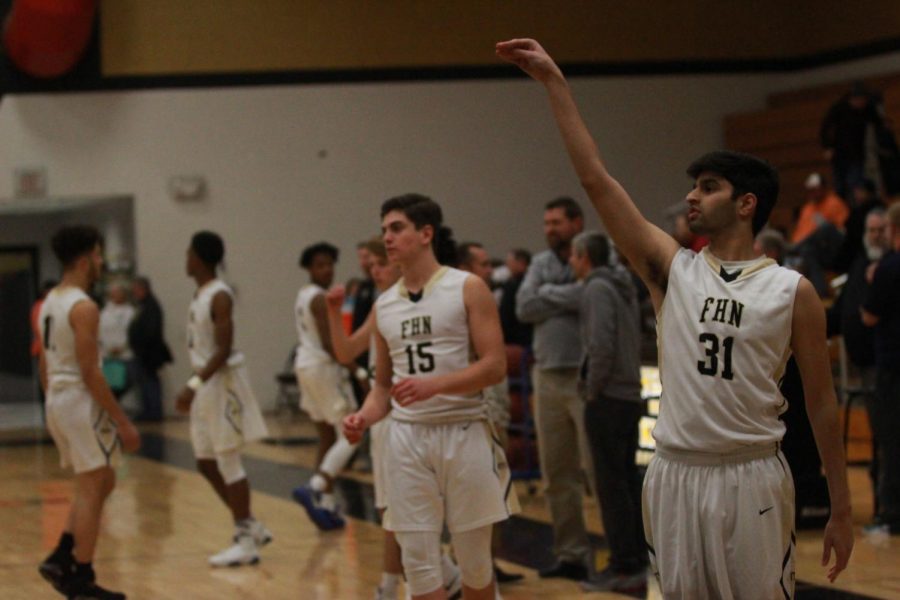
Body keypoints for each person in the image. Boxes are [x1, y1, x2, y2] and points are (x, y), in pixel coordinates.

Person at [497, 38, 853, 596]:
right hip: (675, 472)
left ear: (746, 204)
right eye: (693, 186)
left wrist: (841, 507)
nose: (691, 197)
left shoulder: (792, 291)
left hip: (752, 474)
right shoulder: (673, 268)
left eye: (707, 188)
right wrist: (555, 86)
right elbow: (597, 180)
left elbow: (823, 403)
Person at [343, 193, 516, 600]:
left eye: (396, 227)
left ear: (425, 233)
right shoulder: (386, 305)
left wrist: (435, 385)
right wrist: (363, 417)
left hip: (464, 431)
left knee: (474, 563)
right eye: (384, 229)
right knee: (418, 564)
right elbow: (382, 388)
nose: (387, 237)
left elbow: (495, 366)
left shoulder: (467, 288)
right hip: (407, 438)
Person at [326, 238, 463, 600]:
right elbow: (344, 351)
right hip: (382, 409)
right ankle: (444, 576)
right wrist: (332, 312)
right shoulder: (381, 307)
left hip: (411, 413)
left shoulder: (428, 301)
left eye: (380, 263)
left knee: (404, 511)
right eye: (371, 264)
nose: (374, 270)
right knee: (394, 509)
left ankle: (400, 585)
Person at [37, 225, 141, 600]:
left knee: (100, 481)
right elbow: (90, 371)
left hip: (59, 399)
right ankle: (81, 577)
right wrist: (123, 420)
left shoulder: (50, 300)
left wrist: (54, 406)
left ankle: (62, 554)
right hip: (79, 399)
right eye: (98, 256)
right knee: (95, 486)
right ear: (84, 260)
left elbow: (44, 363)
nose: (101, 263)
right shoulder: (84, 306)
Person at [176, 230, 271, 566]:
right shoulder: (200, 293)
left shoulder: (220, 295)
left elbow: (223, 349)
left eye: (189, 253)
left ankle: (245, 538)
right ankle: (252, 525)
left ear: (200, 257)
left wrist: (192, 384)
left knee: (228, 459)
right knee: (204, 461)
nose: (185, 258)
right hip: (206, 386)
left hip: (220, 385)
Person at [515, 196, 592, 581]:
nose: (550, 229)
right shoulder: (541, 263)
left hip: (586, 376)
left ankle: (630, 556)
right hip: (546, 375)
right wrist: (565, 296)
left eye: (557, 222)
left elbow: (591, 296)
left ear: (577, 223)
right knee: (557, 473)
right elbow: (523, 307)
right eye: (546, 223)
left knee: (601, 473)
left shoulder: (597, 251)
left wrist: (549, 295)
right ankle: (571, 555)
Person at [567, 231, 646, 593]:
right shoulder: (623, 284)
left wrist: (592, 389)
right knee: (626, 481)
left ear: (584, 257)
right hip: (629, 395)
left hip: (609, 397)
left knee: (611, 486)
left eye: (573, 255)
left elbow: (601, 344)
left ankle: (624, 565)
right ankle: (636, 559)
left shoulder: (597, 289)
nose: (571, 262)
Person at [457, 241, 524, 587]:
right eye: (482, 264)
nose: (489, 270)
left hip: (492, 403)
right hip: (475, 411)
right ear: (466, 268)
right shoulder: (460, 304)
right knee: (480, 498)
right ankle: (471, 572)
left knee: (496, 495)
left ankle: (489, 567)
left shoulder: (483, 298)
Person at [291, 242, 358, 530]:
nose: (327, 269)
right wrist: (357, 369)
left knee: (326, 435)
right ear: (308, 268)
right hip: (323, 366)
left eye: (330, 264)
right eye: (320, 264)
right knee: (353, 431)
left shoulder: (303, 294)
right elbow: (331, 343)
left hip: (305, 364)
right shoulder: (319, 298)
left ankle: (326, 503)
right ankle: (317, 486)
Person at [861, 201, 900, 535]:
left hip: (891, 366)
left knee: (891, 441)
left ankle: (892, 514)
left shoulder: (888, 268)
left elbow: (869, 315)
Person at [820, 82, 883, 202]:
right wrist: (827, 147)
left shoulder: (867, 109)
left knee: (855, 183)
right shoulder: (839, 107)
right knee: (840, 186)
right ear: (853, 99)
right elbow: (825, 127)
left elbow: (879, 124)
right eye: (859, 100)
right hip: (840, 153)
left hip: (857, 154)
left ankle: (856, 208)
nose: (861, 103)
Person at [127, 276, 172, 422]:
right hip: (142, 353)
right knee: (144, 383)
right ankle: (148, 410)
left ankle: (154, 412)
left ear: (143, 289)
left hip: (148, 354)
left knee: (150, 382)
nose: (134, 293)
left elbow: (151, 331)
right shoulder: (142, 306)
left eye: (136, 290)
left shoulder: (151, 307)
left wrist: (142, 346)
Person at [98, 282, 135, 398]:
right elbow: (99, 333)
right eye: (113, 293)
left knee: (126, 382)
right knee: (109, 386)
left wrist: (122, 347)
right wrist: (108, 348)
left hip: (125, 354)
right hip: (107, 354)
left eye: (119, 293)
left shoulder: (131, 312)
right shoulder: (104, 313)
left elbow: (133, 333)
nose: (116, 295)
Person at [497, 249, 532, 348]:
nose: (507, 266)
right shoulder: (512, 283)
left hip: (515, 340)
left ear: (521, 263)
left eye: (509, 262)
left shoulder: (513, 285)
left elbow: (506, 315)